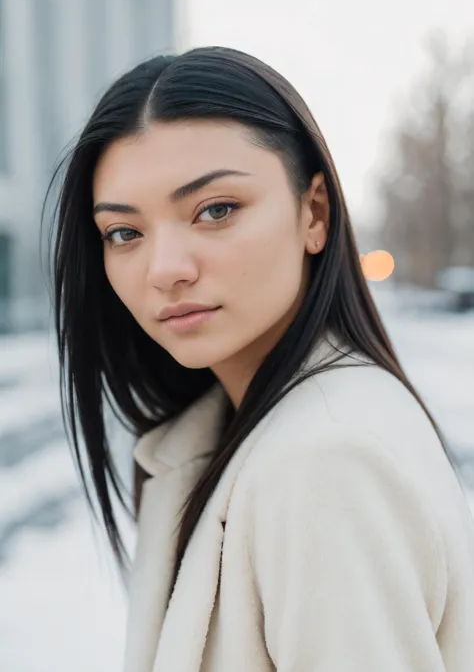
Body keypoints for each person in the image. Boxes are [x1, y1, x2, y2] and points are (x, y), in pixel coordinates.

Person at [45, 46, 474, 672]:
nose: (164, 269)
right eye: (124, 232)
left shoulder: (326, 462)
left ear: (314, 213)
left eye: (215, 210)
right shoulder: (237, 431)